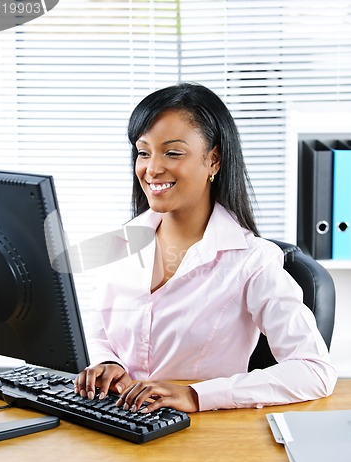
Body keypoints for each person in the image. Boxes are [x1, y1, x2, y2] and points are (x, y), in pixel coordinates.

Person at [74, 82, 337, 414]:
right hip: (119, 422)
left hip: (201, 435)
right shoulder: (123, 242)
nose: (152, 169)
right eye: (143, 151)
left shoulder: (252, 261)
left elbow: (315, 370)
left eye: (172, 152)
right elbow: (98, 330)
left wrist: (196, 395)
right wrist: (107, 362)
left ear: (213, 160)